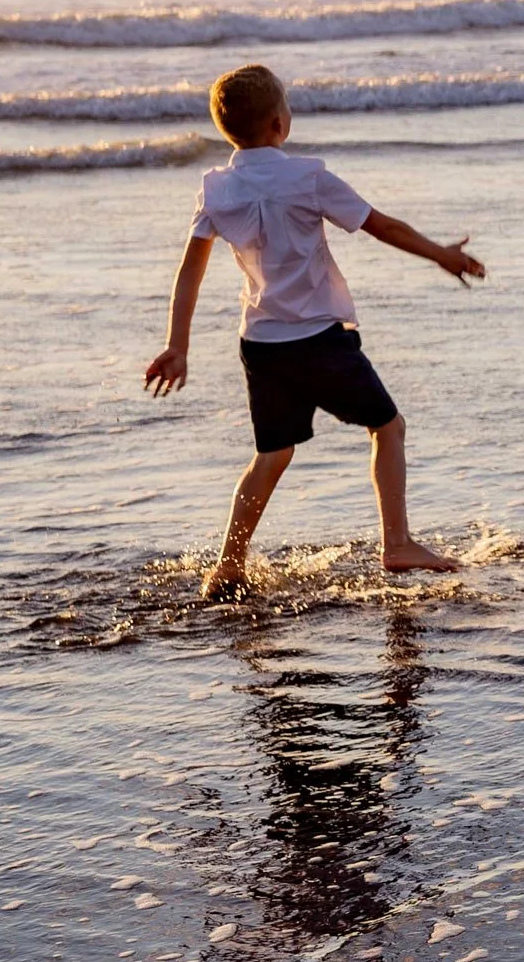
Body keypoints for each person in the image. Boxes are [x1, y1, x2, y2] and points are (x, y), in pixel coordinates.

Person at [143, 64, 486, 600]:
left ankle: (228, 564)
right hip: (321, 341)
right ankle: (397, 542)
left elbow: (191, 268)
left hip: (261, 345)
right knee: (388, 427)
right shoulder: (308, 177)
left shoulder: (216, 187)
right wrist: (441, 254)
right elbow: (383, 226)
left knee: (273, 454)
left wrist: (178, 344)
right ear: (280, 123)